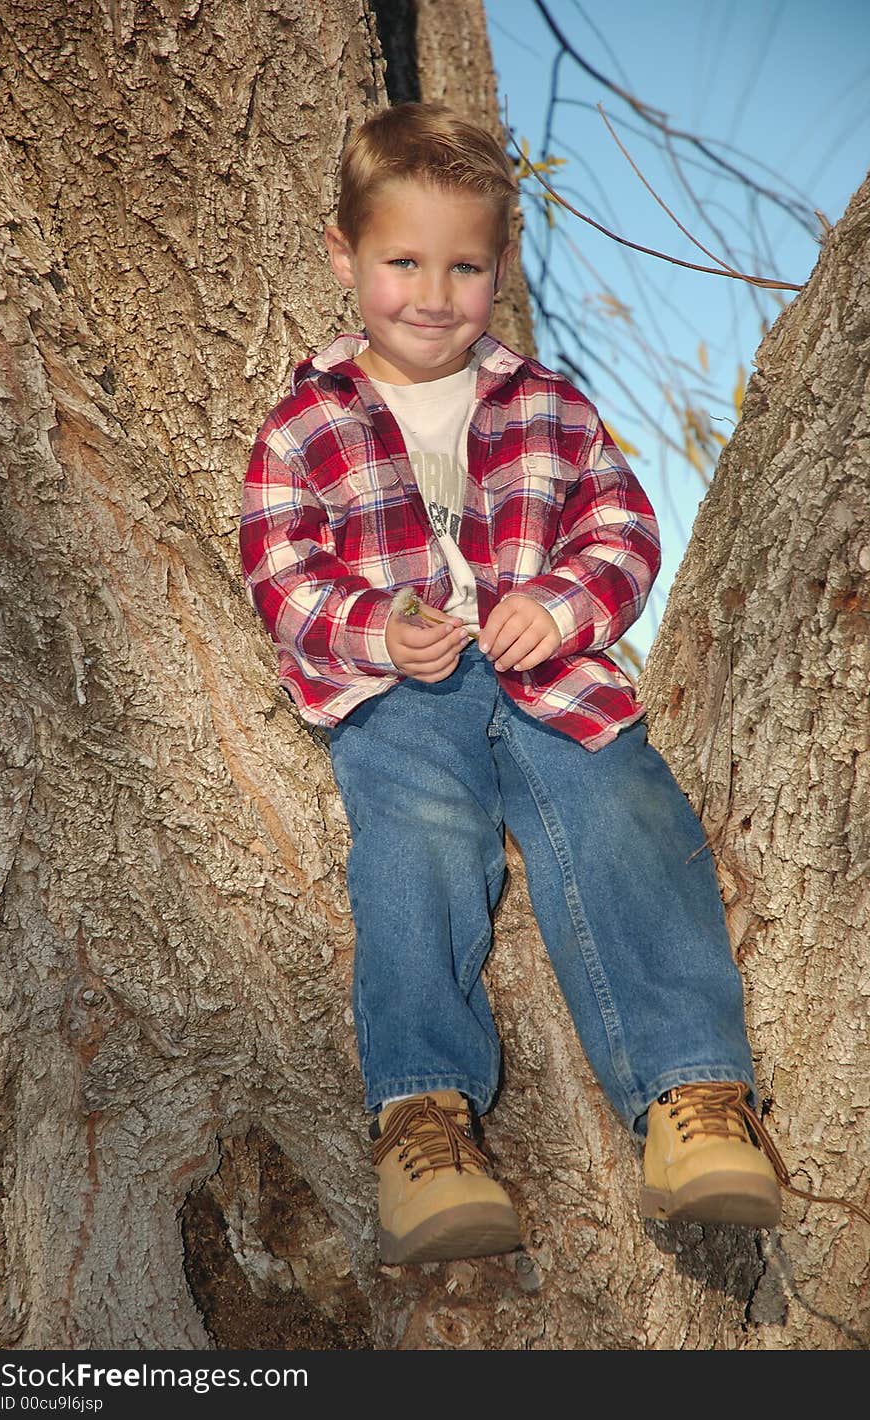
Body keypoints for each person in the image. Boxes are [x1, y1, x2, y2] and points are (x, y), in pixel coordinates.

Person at [240, 101, 783, 1267]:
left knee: (627, 812)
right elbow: (279, 565)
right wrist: (377, 626)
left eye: (465, 265)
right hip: (402, 690)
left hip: (551, 675)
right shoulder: (306, 420)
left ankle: (694, 1103)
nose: (432, 293)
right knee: (419, 840)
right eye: (401, 261)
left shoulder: (547, 403)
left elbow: (623, 527)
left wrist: (566, 604)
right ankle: (423, 1119)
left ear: (499, 267)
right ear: (344, 258)